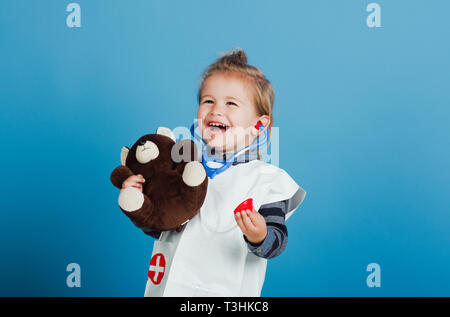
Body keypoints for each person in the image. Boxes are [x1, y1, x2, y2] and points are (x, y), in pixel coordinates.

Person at [120, 48, 306, 296]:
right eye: (208, 101)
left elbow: (276, 242)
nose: (217, 110)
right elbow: (161, 226)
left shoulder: (267, 181)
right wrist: (141, 203)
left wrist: (260, 235)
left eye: (231, 103)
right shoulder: (180, 168)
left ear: (259, 124)